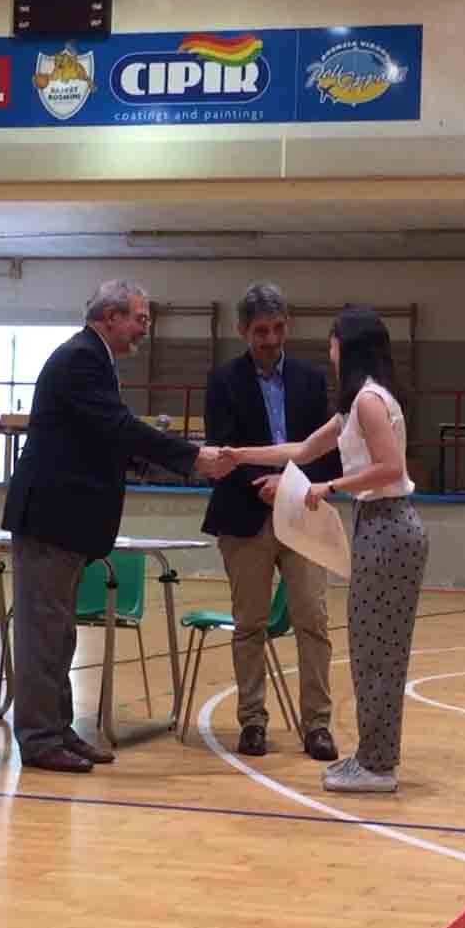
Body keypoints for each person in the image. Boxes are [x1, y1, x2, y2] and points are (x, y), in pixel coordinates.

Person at [0, 280, 230, 773]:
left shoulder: (91, 358)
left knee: (59, 633)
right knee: (44, 633)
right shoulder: (82, 359)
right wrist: (191, 458)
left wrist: (161, 462)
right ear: (111, 316)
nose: (144, 330)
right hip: (49, 519)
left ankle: (58, 729)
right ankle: (39, 739)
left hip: (62, 522)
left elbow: (103, 439)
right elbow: (118, 428)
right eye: (140, 319)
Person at [223, 307, 426, 793]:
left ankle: (378, 765)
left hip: (389, 525)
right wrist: (239, 455)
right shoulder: (355, 405)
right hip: (377, 525)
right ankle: (373, 756)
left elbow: (391, 467)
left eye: (333, 342)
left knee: (378, 653)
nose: (329, 350)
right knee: (369, 650)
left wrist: (328, 487)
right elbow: (300, 450)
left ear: (347, 346)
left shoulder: (370, 401)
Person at [201, 283, 341, 761]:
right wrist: (263, 483)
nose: (271, 339)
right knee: (250, 624)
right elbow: (222, 450)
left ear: (288, 325)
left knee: (312, 619)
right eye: (261, 331)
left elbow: (326, 452)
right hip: (244, 518)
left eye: (279, 328)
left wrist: (290, 482)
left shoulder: (310, 378)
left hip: (302, 514)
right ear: (243, 330)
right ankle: (253, 721)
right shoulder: (223, 381)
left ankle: (317, 725)